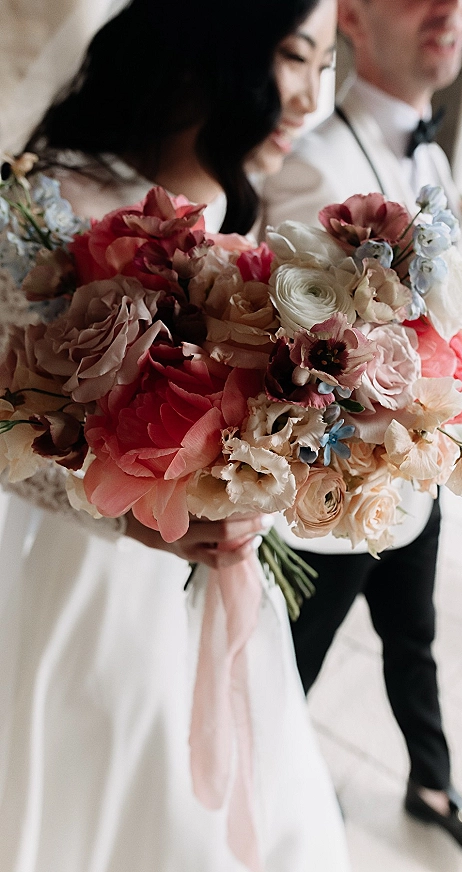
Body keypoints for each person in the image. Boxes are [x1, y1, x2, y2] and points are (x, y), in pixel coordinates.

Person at [0, 1, 350, 871]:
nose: (309, 99)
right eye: (294, 56)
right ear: (210, 47)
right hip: (68, 573)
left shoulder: (231, 207)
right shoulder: (51, 203)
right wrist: (117, 510)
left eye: (325, 67)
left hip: (201, 583)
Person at [261, 0, 462, 865]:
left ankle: (431, 782)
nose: (449, 9)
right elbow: (273, 350)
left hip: (419, 484)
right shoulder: (308, 162)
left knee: (417, 638)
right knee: (283, 670)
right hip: (328, 504)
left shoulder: (434, 154)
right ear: (355, 21)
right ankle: (272, 795)